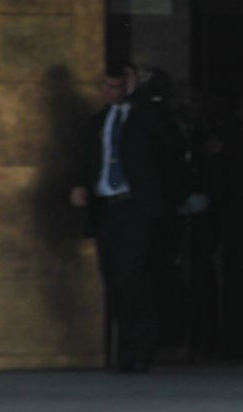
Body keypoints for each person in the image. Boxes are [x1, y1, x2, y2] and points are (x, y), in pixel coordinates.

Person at [69, 64, 180, 371]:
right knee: (113, 278)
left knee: (133, 275)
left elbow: (163, 137)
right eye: (106, 87)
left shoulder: (143, 116)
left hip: (136, 207)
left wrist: (136, 95)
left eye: (116, 87)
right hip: (108, 206)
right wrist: (80, 185)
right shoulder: (100, 121)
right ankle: (125, 350)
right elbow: (88, 157)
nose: (110, 93)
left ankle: (144, 348)